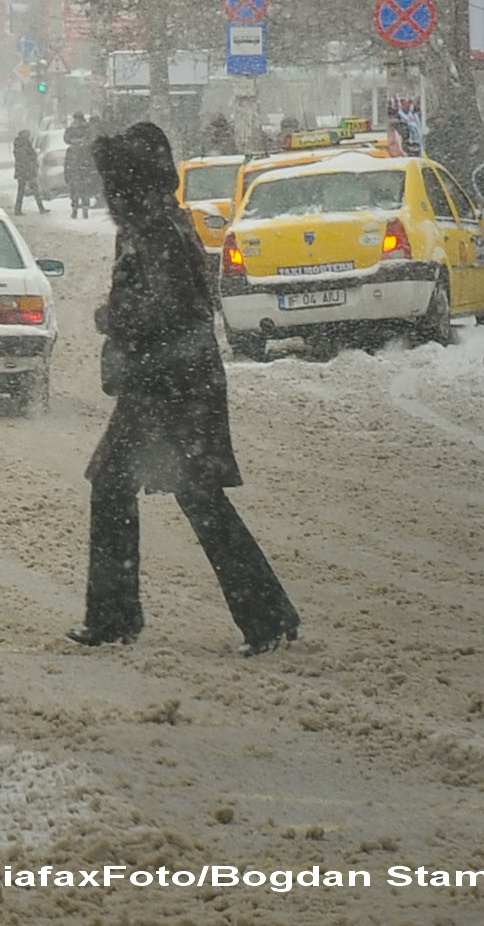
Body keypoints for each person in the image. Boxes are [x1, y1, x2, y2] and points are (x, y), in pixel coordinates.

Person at [72, 121, 297, 656]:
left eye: (114, 187)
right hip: (168, 384)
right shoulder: (153, 226)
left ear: (130, 187)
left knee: (174, 495)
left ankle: (123, 618)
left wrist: (116, 318)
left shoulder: (158, 231)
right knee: (168, 494)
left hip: (174, 386)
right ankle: (262, 617)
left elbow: (176, 308)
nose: (109, 198)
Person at [63, 115, 100, 220]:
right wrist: (67, 174)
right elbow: (67, 163)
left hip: (83, 170)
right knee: (75, 190)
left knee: (84, 190)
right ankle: (75, 209)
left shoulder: (86, 149)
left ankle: (84, 210)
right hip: (76, 171)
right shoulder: (71, 150)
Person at [11, 128, 46, 215]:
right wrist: (31, 163)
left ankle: (18, 209)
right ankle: (40, 208)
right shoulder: (24, 144)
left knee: (22, 191)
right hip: (27, 170)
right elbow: (28, 157)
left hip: (22, 170)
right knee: (34, 190)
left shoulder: (19, 145)